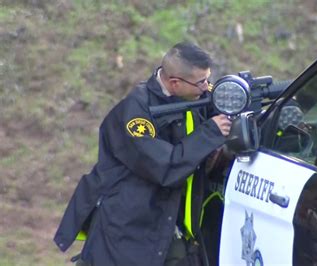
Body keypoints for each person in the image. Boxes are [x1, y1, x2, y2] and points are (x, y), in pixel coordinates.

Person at [54, 42, 232, 266]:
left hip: (166, 225)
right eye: (201, 82)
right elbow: (165, 168)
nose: (207, 87)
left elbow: (220, 107)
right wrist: (210, 133)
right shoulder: (135, 113)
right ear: (175, 83)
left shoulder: (193, 95)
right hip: (127, 230)